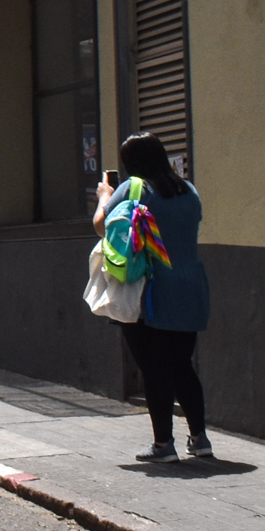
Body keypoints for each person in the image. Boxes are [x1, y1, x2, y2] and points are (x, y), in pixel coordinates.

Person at [99, 133, 211, 463]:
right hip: (190, 286)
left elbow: (103, 226)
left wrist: (104, 196)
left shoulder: (133, 188)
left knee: (154, 368)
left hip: (150, 289)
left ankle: (163, 445)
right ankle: (200, 438)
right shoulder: (188, 191)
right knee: (182, 366)